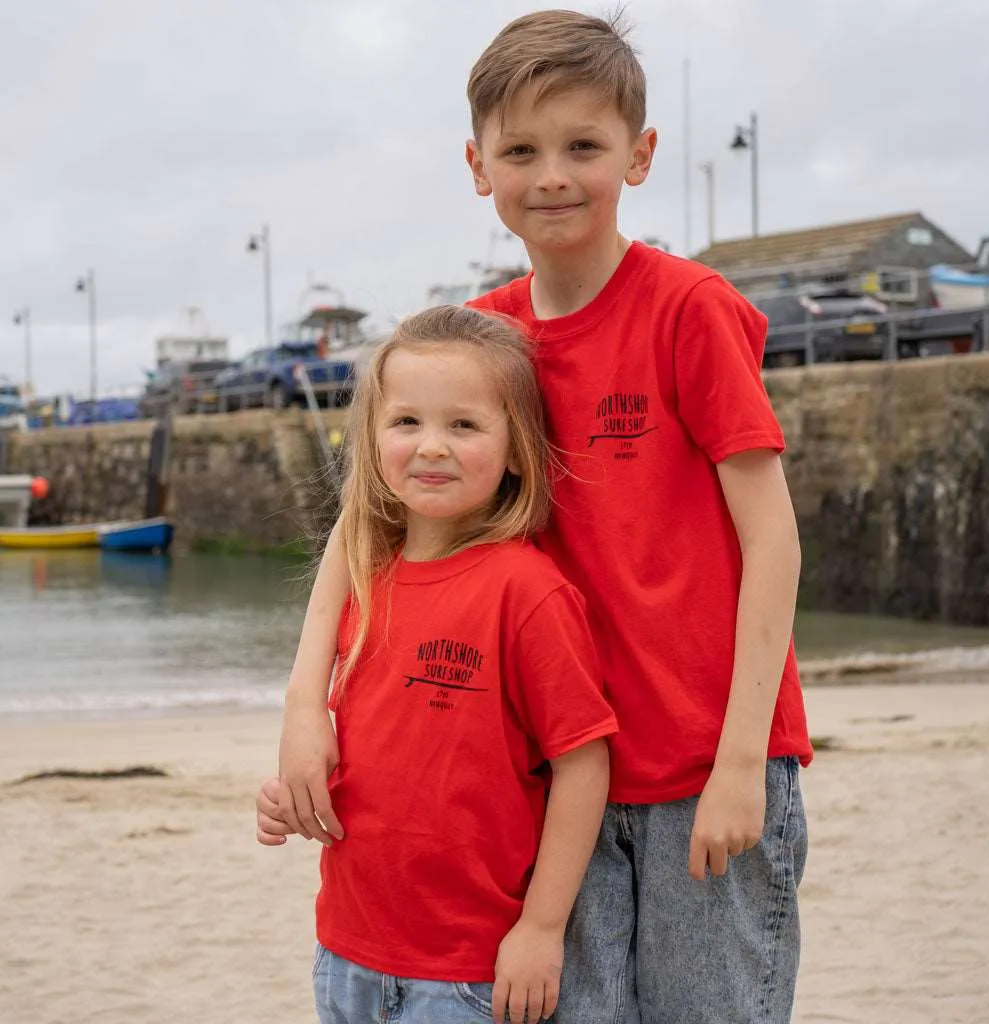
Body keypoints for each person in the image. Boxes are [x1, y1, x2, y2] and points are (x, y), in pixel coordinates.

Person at [264, 9, 812, 1022]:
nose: (551, 173)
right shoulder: (490, 341)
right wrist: (308, 707)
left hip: (704, 755)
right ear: (478, 166)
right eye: (520, 149)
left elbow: (770, 536)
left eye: (582, 146)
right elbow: (368, 525)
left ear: (638, 156)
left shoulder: (686, 311)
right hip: (561, 775)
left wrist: (743, 760)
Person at [258, 304, 617, 1024]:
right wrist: (297, 799)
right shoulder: (366, 576)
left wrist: (543, 930)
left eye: (464, 426)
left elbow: (583, 764)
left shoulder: (527, 591)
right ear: (373, 438)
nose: (431, 448)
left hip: (466, 975)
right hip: (346, 954)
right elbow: (384, 759)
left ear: (517, 449)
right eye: (407, 423)